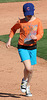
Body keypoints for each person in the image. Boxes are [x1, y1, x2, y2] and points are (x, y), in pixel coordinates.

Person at [6, 3, 44, 97]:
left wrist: (36, 37)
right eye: (27, 13)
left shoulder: (38, 21)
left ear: (33, 11)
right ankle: (24, 81)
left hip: (32, 47)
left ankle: (27, 85)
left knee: (31, 70)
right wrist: (9, 40)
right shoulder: (20, 22)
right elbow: (13, 29)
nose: (29, 15)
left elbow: (41, 33)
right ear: (24, 13)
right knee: (28, 68)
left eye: (30, 13)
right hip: (22, 47)